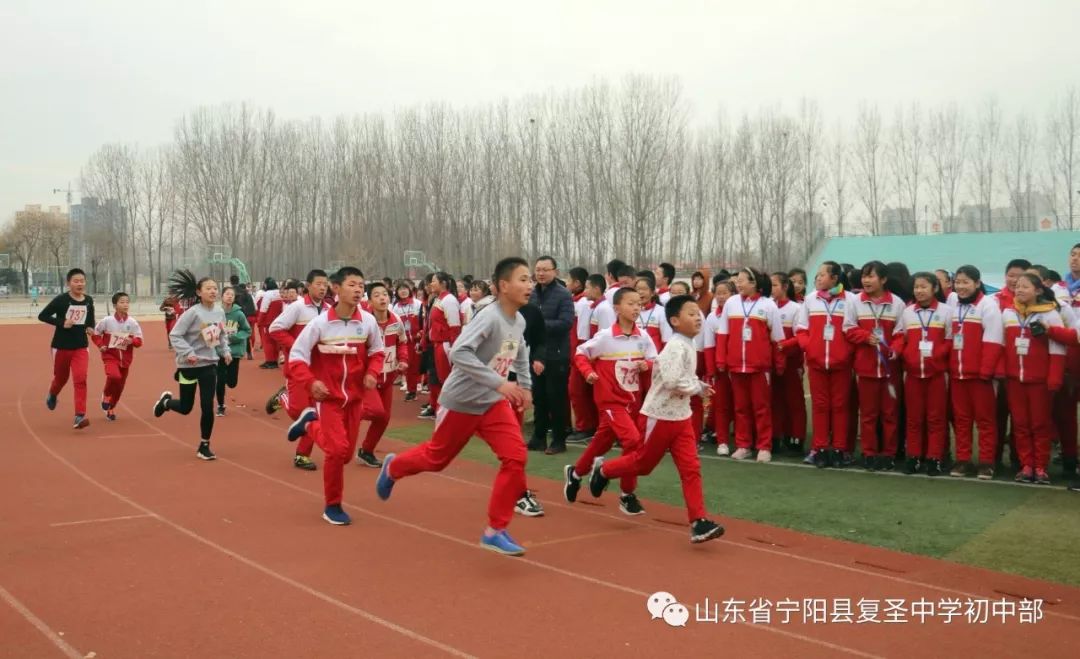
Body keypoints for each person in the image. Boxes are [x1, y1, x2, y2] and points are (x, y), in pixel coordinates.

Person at [376, 257, 534, 556]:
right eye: (523, 279)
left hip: (491, 404)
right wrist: (499, 383)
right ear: (503, 285)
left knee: (515, 457)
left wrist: (524, 385)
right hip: (461, 401)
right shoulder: (488, 316)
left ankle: (495, 530)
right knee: (437, 459)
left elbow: (520, 350)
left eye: (530, 280)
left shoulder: (519, 320)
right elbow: (460, 352)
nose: (529, 285)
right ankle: (393, 467)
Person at [588, 295, 725, 544]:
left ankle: (698, 521)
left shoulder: (688, 344)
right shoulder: (676, 346)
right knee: (643, 464)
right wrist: (696, 388)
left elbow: (681, 378)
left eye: (698, 314)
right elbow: (673, 381)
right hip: (659, 416)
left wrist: (700, 385)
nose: (698, 318)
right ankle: (605, 469)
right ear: (674, 320)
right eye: (691, 313)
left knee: (691, 468)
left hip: (681, 417)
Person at [285, 267, 385, 524]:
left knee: (347, 455)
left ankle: (308, 425)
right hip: (328, 399)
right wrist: (310, 382)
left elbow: (377, 351)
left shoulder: (368, 322)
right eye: (352, 284)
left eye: (361, 285)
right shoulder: (319, 324)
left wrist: (373, 372)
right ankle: (333, 506)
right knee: (337, 452)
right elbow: (297, 356)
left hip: (354, 399)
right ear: (336, 288)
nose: (359, 290)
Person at [564, 287, 657, 516]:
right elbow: (580, 353)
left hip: (632, 401)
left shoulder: (642, 337)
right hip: (610, 401)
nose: (636, 308)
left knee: (601, 443)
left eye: (639, 303)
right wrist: (588, 373)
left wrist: (649, 365)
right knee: (634, 442)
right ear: (617, 308)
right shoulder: (606, 337)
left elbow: (655, 359)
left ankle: (576, 473)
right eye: (631, 303)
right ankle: (625, 493)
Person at [153, 271, 231, 460]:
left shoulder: (220, 311)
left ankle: (204, 445)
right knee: (186, 407)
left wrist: (225, 351)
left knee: (207, 405)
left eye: (215, 288)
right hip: (188, 366)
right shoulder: (192, 313)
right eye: (208, 288)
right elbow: (175, 335)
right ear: (199, 292)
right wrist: (189, 353)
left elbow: (221, 334)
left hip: (209, 364)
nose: (213, 291)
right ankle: (166, 403)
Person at [843, 261, 906, 471]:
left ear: (883, 279)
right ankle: (869, 453)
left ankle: (888, 454)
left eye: (871, 276)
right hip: (866, 367)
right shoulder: (855, 302)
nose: (866, 281)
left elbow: (901, 332)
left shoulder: (896, 303)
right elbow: (848, 328)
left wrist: (895, 349)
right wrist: (865, 337)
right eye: (864, 276)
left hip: (890, 369)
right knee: (868, 415)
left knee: (890, 414)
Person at [1004, 272, 1066, 484]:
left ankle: (1041, 467)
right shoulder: (1009, 312)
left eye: (1025, 286)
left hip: (1039, 381)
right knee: (1020, 425)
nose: (1019, 289)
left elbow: (1058, 349)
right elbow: (1004, 346)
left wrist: (1054, 378)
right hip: (1014, 380)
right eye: (1017, 286)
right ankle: (1026, 465)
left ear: (1038, 291)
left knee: (1040, 425)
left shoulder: (1050, 314)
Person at [267, 270, 331, 471]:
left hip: (319, 370)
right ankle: (282, 398)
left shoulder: (330, 309)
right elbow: (274, 329)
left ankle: (302, 455)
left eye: (325, 284)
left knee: (314, 414)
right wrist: (297, 345)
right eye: (318, 284)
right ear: (308, 286)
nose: (322, 288)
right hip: (297, 365)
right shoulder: (297, 307)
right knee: (298, 412)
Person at [796, 261, 857, 468]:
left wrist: (846, 353)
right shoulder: (811, 300)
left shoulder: (851, 300)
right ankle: (819, 448)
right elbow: (801, 328)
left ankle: (839, 449)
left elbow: (853, 330)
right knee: (820, 406)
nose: (818, 278)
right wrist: (810, 348)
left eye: (822, 275)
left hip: (842, 364)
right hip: (816, 362)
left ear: (835, 278)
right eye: (818, 275)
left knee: (840, 407)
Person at [894, 272, 953, 476]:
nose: (919, 291)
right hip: (912, 374)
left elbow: (950, 340)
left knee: (936, 419)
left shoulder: (946, 312)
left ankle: (934, 458)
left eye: (923, 287)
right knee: (914, 418)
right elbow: (901, 336)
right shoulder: (908, 312)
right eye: (916, 287)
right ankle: (914, 457)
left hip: (936, 374)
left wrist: (937, 356)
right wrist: (900, 352)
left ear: (935, 288)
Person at [947, 265, 1002, 480]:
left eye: (965, 282)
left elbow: (994, 340)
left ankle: (987, 462)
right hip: (957, 374)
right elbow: (950, 337)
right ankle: (963, 460)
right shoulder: (953, 302)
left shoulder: (988, 305)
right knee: (961, 420)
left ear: (977, 283)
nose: (960, 287)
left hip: (980, 377)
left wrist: (985, 372)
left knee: (985, 421)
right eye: (957, 282)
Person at [357, 281, 408, 468]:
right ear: (369, 301)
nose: (382, 298)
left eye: (385, 294)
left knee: (384, 418)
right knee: (375, 411)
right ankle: (344, 415)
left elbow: (402, 342)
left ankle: (366, 451)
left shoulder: (396, 320)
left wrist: (403, 360)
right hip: (368, 377)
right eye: (377, 295)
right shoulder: (364, 321)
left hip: (388, 377)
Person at [527, 256, 575, 455]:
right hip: (536, 352)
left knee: (556, 398)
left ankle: (558, 440)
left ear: (555, 271)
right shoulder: (532, 294)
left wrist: (539, 325)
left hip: (556, 354)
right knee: (538, 397)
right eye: (538, 269)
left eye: (545, 269)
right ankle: (538, 438)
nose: (541, 273)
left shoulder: (563, 294)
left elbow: (566, 323)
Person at [38, 268, 96, 429]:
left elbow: (90, 321)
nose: (79, 284)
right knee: (61, 379)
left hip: (81, 347)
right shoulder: (61, 300)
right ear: (68, 283)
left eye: (82, 281)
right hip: (61, 346)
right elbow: (42, 315)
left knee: (80, 378)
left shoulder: (89, 301)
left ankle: (79, 415)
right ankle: (53, 394)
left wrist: (91, 328)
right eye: (76, 281)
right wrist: (61, 322)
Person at [91, 291, 143, 422]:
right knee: (114, 376)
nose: (125, 304)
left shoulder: (132, 323)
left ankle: (111, 408)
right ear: (115, 305)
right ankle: (106, 395)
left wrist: (132, 341)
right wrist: (100, 345)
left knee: (119, 386)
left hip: (126, 360)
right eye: (122, 302)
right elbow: (96, 334)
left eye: (127, 302)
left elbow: (139, 341)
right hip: (110, 356)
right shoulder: (107, 321)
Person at [770, 272, 806, 454]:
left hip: (791, 361)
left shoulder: (795, 308)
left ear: (785, 287)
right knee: (774, 400)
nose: (771, 288)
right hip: (771, 360)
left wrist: (783, 346)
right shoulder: (768, 306)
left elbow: (800, 337)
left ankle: (796, 436)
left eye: (775, 285)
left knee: (794, 400)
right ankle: (776, 435)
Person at [216, 286, 251, 416]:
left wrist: (233, 337)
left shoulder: (239, 314)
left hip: (234, 352)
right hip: (219, 352)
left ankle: (225, 378)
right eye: (227, 294)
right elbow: (209, 329)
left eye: (232, 294)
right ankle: (220, 405)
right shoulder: (216, 312)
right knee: (219, 381)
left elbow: (247, 330)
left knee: (231, 383)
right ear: (222, 296)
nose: (230, 296)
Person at [391, 280, 424, 401]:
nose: (403, 291)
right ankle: (412, 390)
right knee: (409, 367)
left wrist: (421, 333)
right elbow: (395, 325)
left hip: (419, 340)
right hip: (405, 342)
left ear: (410, 290)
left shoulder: (418, 304)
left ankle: (420, 388)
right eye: (400, 289)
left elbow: (423, 322)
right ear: (397, 292)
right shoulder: (395, 308)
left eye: (405, 288)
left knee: (419, 366)